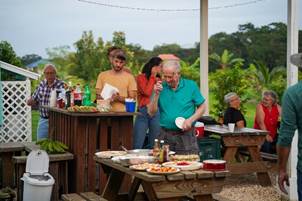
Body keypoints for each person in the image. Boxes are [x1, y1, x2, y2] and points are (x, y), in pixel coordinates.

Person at [148, 60, 206, 154]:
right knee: (163, 165)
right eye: (165, 76)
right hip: (165, 135)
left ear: (178, 74)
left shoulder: (191, 86)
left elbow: (202, 107)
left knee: (188, 164)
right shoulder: (160, 87)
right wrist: (156, 95)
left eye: (170, 77)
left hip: (186, 136)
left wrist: (190, 120)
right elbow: (151, 112)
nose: (167, 80)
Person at [27, 64, 64, 140]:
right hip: (43, 120)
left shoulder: (61, 85)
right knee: (41, 143)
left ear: (55, 74)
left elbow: (65, 102)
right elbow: (34, 99)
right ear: (44, 74)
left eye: (51, 73)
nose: (49, 76)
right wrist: (31, 101)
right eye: (47, 73)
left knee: (58, 143)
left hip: (58, 120)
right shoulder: (42, 84)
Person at [133, 57, 162, 149]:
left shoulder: (159, 80)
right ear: (154, 67)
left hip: (156, 112)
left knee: (154, 144)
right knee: (138, 142)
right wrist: (153, 76)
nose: (161, 69)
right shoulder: (140, 78)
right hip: (143, 111)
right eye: (160, 66)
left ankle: (151, 163)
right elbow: (147, 92)